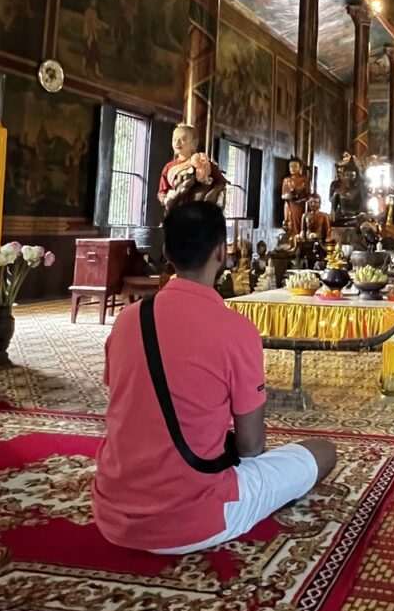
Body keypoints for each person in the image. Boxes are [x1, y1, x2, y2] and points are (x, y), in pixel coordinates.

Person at [92, 201, 336, 553]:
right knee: (323, 452)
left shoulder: (128, 320)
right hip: (195, 518)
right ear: (222, 252)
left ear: (166, 252)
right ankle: (258, 502)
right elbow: (252, 447)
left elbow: (125, 404)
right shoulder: (236, 330)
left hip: (112, 514)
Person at [158, 123, 226, 213]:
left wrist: (213, 193)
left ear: (194, 143)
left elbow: (221, 182)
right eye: (174, 140)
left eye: (182, 139)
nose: (177, 143)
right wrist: (166, 200)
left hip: (199, 211)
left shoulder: (204, 163)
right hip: (176, 210)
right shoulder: (169, 167)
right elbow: (162, 192)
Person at [281, 157, 311, 235]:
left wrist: (299, 199)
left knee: (299, 224)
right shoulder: (286, 180)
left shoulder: (305, 179)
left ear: (300, 167)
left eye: (295, 166)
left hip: (300, 205)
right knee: (288, 224)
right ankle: (290, 239)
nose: (293, 169)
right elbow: (283, 195)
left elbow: (308, 195)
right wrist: (289, 195)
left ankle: (298, 239)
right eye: (291, 166)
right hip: (289, 204)